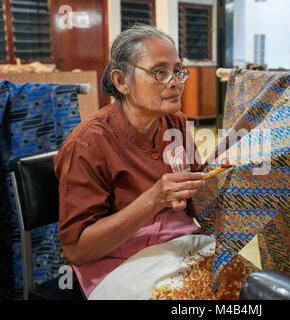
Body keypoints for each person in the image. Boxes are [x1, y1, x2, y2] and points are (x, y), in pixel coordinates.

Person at [54, 24, 214, 299]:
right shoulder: (89, 143)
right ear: (121, 81)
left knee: (248, 285)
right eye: (159, 72)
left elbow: (195, 201)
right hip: (119, 263)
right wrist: (154, 199)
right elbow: (77, 250)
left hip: (179, 246)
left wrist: (219, 178)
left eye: (177, 71)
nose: (175, 82)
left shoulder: (175, 123)